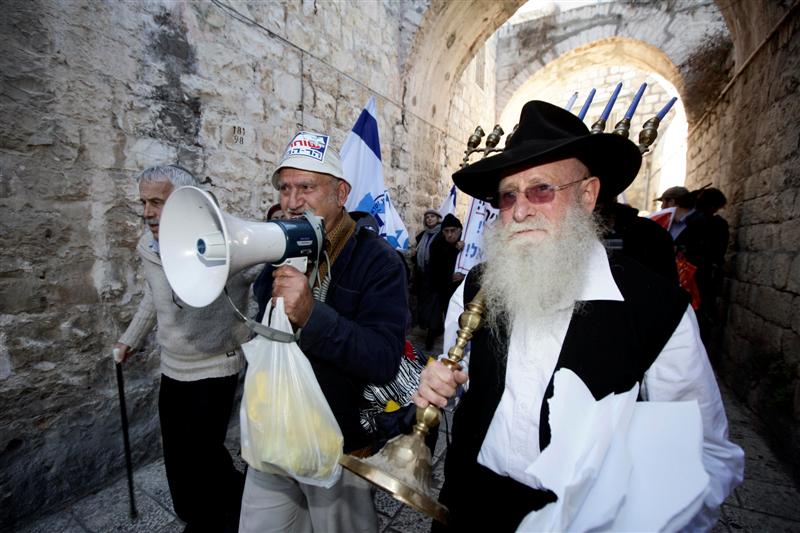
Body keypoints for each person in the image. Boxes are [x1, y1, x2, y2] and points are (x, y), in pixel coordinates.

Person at [413, 101, 744, 532]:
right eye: (508, 195)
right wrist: (442, 384)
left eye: (541, 190)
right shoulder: (476, 287)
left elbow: (706, 455)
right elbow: (467, 387)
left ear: (587, 195)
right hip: (471, 507)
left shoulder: (655, 307)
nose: (520, 209)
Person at [242, 131, 408, 532]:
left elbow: (383, 359)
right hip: (273, 431)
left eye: (306, 187)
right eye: (284, 188)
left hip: (339, 443)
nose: (292, 201)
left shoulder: (379, 261)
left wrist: (312, 315)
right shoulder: (283, 246)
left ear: (341, 192)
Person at [113, 165, 249, 533]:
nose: (147, 212)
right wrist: (131, 338)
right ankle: (193, 512)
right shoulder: (148, 245)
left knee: (205, 454)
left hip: (215, 367)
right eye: (143, 202)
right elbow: (151, 297)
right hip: (173, 366)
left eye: (157, 201)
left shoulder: (225, 242)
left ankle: (228, 512)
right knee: (176, 452)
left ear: (184, 203)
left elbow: (256, 280)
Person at [675, 187, 730, 342]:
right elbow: (718, 253)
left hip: (685, 274)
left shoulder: (687, 221)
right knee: (703, 313)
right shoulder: (717, 224)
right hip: (704, 275)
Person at [424, 214, 465, 347]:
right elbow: (436, 268)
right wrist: (449, 277)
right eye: (446, 231)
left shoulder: (466, 242)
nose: (450, 235)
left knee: (453, 316)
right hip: (439, 286)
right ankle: (430, 341)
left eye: (453, 231)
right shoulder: (437, 244)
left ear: (459, 230)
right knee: (435, 315)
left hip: (455, 289)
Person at [412, 209, 442, 348]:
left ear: (438, 219)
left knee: (434, 308)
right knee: (424, 306)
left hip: (436, 277)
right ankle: (436, 329)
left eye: (432, 217)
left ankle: (431, 336)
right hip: (423, 277)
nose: (429, 219)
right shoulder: (422, 236)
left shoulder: (442, 235)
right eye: (427, 217)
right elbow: (416, 257)